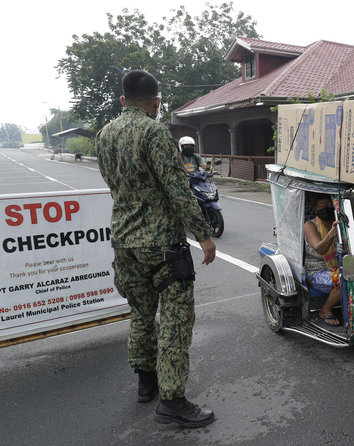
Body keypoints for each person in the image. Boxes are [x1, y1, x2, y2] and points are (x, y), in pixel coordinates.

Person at [96, 70, 217, 427]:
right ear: (156, 102)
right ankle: (173, 401)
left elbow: (114, 185)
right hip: (161, 244)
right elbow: (178, 189)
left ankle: (145, 383)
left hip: (124, 242)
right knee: (177, 320)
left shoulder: (104, 135)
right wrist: (203, 235)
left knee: (141, 313)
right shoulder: (155, 133)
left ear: (122, 100)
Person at [303, 194, 342, 326]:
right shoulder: (310, 225)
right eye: (322, 204)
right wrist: (331, 234)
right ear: (315, 207)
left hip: (340, 266)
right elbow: (320, 249)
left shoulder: (339, 222)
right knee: (345, 279)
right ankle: (325, 310)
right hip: (317, 271)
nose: (327, 207)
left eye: (329, 204)